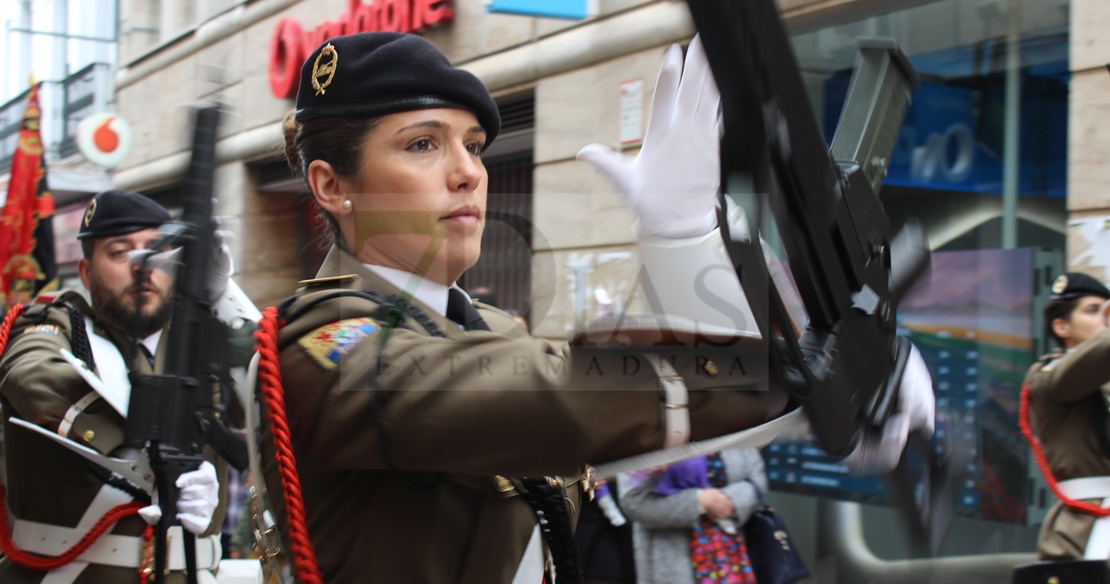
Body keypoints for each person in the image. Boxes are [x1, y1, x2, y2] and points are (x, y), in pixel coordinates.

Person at [257, 31, 934, 583]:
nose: (468, 171)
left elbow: (628, 429)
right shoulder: (320, 347)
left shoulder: (488, 329)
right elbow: (554, 396)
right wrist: (800, 380)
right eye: (423, 144)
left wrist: (681, 240)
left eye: (473, 145)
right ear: (331, 185)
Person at [0, 189, 259, 583]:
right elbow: (33, 375)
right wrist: (149, 456)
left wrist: (222, 296)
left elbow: (270, 388)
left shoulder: (200, 343)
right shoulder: (54, 326)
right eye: (120, 252)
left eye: (157, 252)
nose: (142, 268)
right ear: (86, 272)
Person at [1024, 271, 1110, 561]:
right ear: (1062, 326)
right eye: (1093, 310)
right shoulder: (1049, 375)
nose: (1104, 318)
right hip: (1085, 528)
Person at [618, 449, 767, 584]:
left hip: (735, 558)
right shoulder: (645, 434)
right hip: (669, 562)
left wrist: (732, 500)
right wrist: (700, 501)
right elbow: (634, 503)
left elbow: (758, 484)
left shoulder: (733, 425)